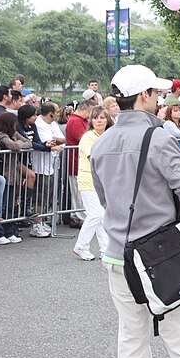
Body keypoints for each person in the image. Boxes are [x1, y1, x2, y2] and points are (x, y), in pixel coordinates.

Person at [90, 64, 180, 358]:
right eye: (156, 93)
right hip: (161, 253)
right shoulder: (158, 137)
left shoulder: (100, 144)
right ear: (143, 95)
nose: (159, 99)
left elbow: (105, 200)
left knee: (131, 339)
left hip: (117, 254)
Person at [72, 106, 112, 261]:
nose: (99, 120)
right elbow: (94, 158)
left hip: (103, 181)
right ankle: (81, 246)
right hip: (88, 180)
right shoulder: (88, 137)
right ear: (91, 120)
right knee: (96, 214)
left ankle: (105, 249)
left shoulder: (108, 135)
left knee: (102, 217)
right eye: (96, 118)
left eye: (102, 117)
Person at [65, 96, 98, 228]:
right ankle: (79, 216)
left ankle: (77, 215)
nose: (90, 116)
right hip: (76, 161)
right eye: (90, 112)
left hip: (79, 160)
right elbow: (83, 138)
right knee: (78, 192)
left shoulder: (78, 120)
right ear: (83, 109)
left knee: (79, 191)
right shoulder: (75, 121)